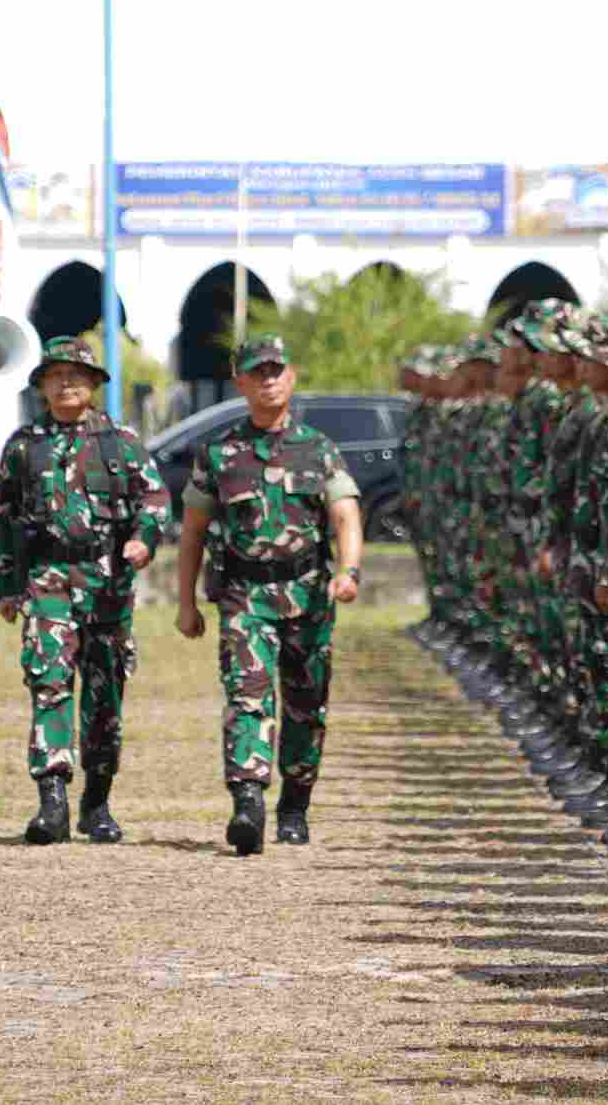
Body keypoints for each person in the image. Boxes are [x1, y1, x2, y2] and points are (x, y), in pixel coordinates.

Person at [173, 334, 364, 857]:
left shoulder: (319, 450)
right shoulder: (218, 453)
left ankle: (295, 806)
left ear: (292, 376)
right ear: (240, 383)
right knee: (247, 695)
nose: (268, 380)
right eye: (257, 373)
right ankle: (248, 800)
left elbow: (345, 514)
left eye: (276, 370)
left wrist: (349, 572)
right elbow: (192, 532)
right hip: (244, 594)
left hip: (308, 595)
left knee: (306, 704)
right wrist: (186, 602)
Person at [0, 336, 166, 845]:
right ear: (42, 385)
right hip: (48, 579)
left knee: (105, 694)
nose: (66, 383)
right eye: (56, 376)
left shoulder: (121, 442)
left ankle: (97, 802)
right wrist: (7, 584)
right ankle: (52, 803)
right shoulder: (24, 445)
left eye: (76, 375)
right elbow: (5, 517)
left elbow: (155, 500)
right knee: (49, 681)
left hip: (106, 582)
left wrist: (143, 540)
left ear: (93, 384)